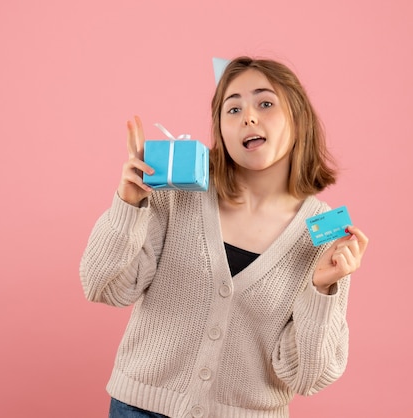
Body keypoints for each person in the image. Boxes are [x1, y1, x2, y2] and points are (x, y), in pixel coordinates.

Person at [80, 56, 369, 418]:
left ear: (298, 119)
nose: (248, 116)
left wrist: (322, 290)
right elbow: (102, 286)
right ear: (220, 130)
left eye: (265, 103)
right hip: (140, 409)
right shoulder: (176, 193)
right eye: (233, 109)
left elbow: (307, 377)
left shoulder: (324, 234)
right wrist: (128, 204)